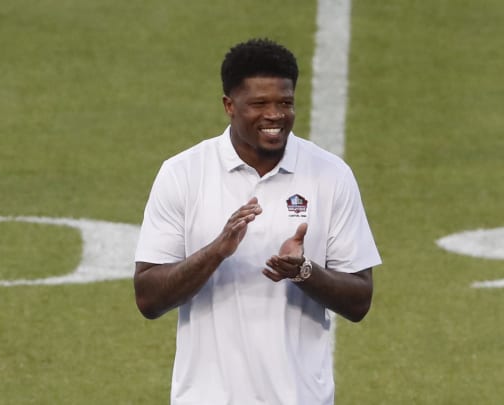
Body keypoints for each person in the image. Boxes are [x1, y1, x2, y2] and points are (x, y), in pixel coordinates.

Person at [133, 38, 381, 405]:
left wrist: (303, 271)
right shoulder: (183, 174)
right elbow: (148, 298)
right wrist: (216, 252)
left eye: (285, 102)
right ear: (229, 106)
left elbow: (360, 300)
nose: (275, 115)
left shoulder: (331, 175)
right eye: (259, 104)